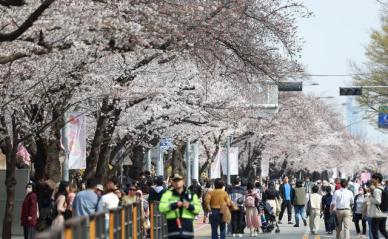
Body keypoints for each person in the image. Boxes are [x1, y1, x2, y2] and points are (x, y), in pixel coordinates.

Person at [159, 174, 201, 239]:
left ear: (183, 181)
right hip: (173, 229)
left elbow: (198, 209)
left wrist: (189, 206)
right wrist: (174, 205)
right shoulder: (167, 194)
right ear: (172, 182)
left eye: (179, 180)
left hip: (187, 229)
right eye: (175, 181)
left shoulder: (192, 195)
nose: (177, 182)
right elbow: (161, 208)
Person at [369, 173, 388, 239]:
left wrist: (370, 198)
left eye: (373, 178)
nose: (371, 180)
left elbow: (378, 201)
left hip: (377, 213)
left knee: (374, 230)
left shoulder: (376, 190)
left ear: (377, 179)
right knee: (382, 229)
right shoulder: (383, 188)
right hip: (384, 212)